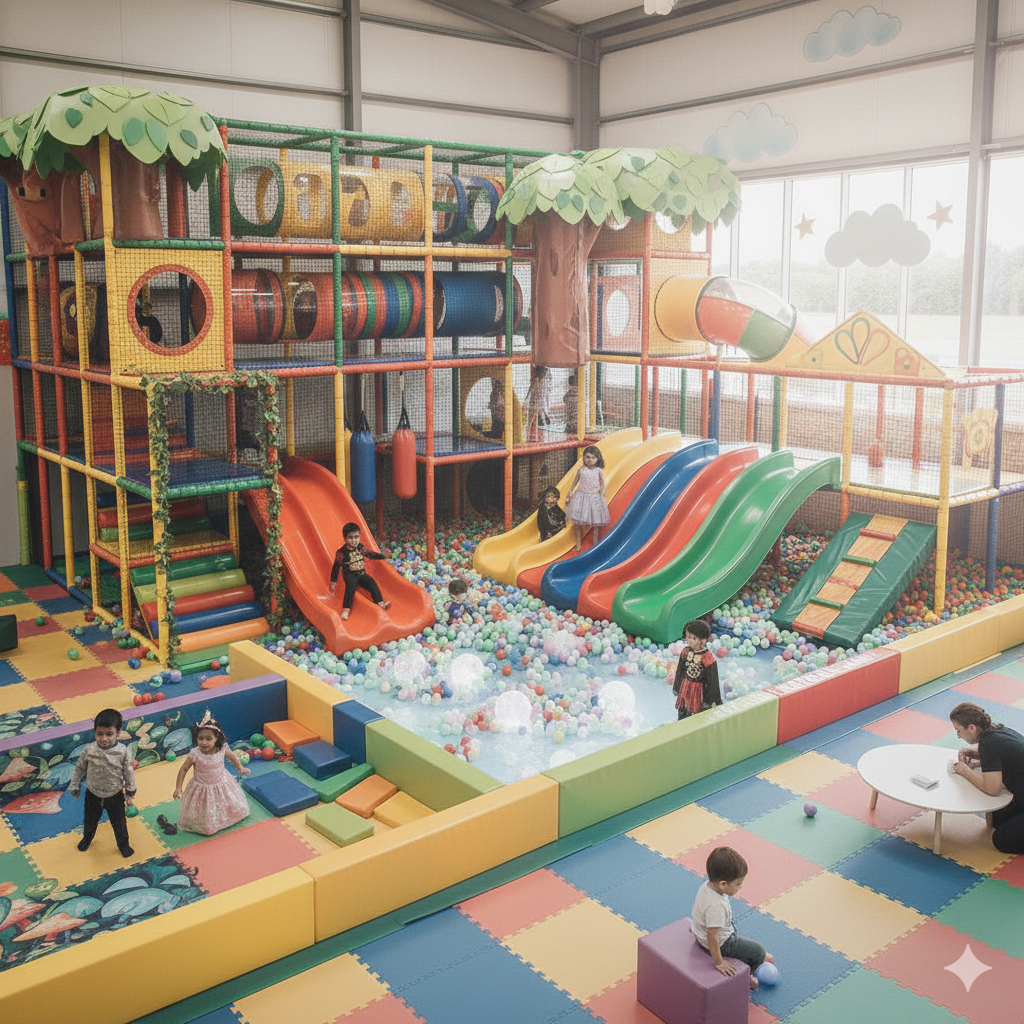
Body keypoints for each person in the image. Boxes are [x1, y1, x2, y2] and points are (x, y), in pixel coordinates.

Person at [691, 846, 771, 991]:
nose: (740, 887)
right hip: (721, 943)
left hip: (703, 933)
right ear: (723, 884)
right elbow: (712, 936)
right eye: (738, 884)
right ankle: (746, 977)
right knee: (759, 951)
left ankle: (745, 956)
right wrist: (719, 962)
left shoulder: (707, 886)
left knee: (733, 929)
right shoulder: (716, 905)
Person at [950, 701, 1024, 853]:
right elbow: (1004, 753)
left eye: (959, 731)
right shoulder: (999, 730)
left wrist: (965, 771)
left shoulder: (989, 744)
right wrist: (976, 753)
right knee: (998, 819)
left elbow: (992, 789)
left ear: (971, 728)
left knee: (1001, 840)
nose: (958, 736)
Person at [69, 708, 136, 858]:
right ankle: (87, 838)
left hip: (115, 795)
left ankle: (123, 845)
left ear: (118, 733)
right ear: (94, 732)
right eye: (100, 734)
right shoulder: (89, 750)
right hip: (93, 793)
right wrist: (75, 784)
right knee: (90, 820)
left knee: (119, 824)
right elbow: (80, 767)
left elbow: (128, 770)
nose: (104, 738)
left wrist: (131, 789)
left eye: (109, 734)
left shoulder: (122, 751)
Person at [172, 711, 251, 836]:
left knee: (222, 802)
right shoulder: (195, 754)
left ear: (217, 739)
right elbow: (183, 769)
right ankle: (208, 825)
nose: (204, 742)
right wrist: (178, 788)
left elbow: (233, 757)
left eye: (209, 739)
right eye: (200, 738)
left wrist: (240, 768)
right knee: (204, 807)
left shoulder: (222, 749)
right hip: (201, 786)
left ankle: (224, 819)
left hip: (221, 783)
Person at [329, 522, 391, 621]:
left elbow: (370, 554)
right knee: (350, 587)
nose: (354, 540)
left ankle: (380, 602)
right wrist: (333, 583)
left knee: (371, 582)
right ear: (345, 539)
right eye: (350, 538)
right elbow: (336, 568)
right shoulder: (341, 552)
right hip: (350, 575)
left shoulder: (360, 547)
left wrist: (383, 556)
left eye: (356, 537)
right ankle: (346, 609)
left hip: (361, 574)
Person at [672, 619, 722, 720]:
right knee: (683, 709)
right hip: (685, 688)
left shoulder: (708, 658)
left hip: (699, 691)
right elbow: (680, 671)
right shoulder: (685, 652)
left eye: (693, 638)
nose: (688, 640)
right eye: (687, 636)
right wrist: (677, 687)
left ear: (702, 641)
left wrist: (712, 700)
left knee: (699, 714)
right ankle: (681, 725)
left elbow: (713, 681)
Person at [565, 445, 610, 552]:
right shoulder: (582, 470)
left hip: (594, 497)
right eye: (587, 457)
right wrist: (570, 492)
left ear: (597, 459)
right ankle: (578, 544)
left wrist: (602, 492)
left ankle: (594, 543)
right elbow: (575, 482)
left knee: (595, 522)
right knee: (578, 523)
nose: (590, 460)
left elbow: (603, 482)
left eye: (593, 458)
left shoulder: (598, 470)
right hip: (582, 496)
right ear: (584, 458)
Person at [525, 365, 552, 442]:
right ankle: (535, 437)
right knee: (533, 420)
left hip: (539, 405)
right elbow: (531, 389)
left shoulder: (543, 382)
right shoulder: (537, 381)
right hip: (535, 405)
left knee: (539, 419)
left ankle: (540, 437)